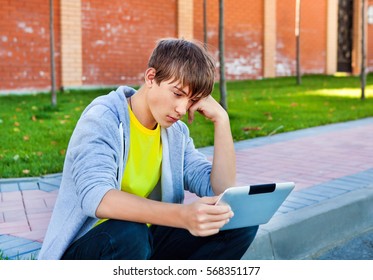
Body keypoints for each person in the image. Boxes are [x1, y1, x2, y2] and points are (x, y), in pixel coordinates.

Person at [38, 38, 258, 260]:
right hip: (90, 247)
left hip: (142, 243)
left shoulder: (175, 133)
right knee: (130, 232)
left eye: (191, 100)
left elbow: (219, 190)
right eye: (178, 93)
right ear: (151, 77)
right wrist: (182, 215)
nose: (182, 109)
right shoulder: (103, 118)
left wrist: (222, 120)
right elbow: (96, 197)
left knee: (235, 220)